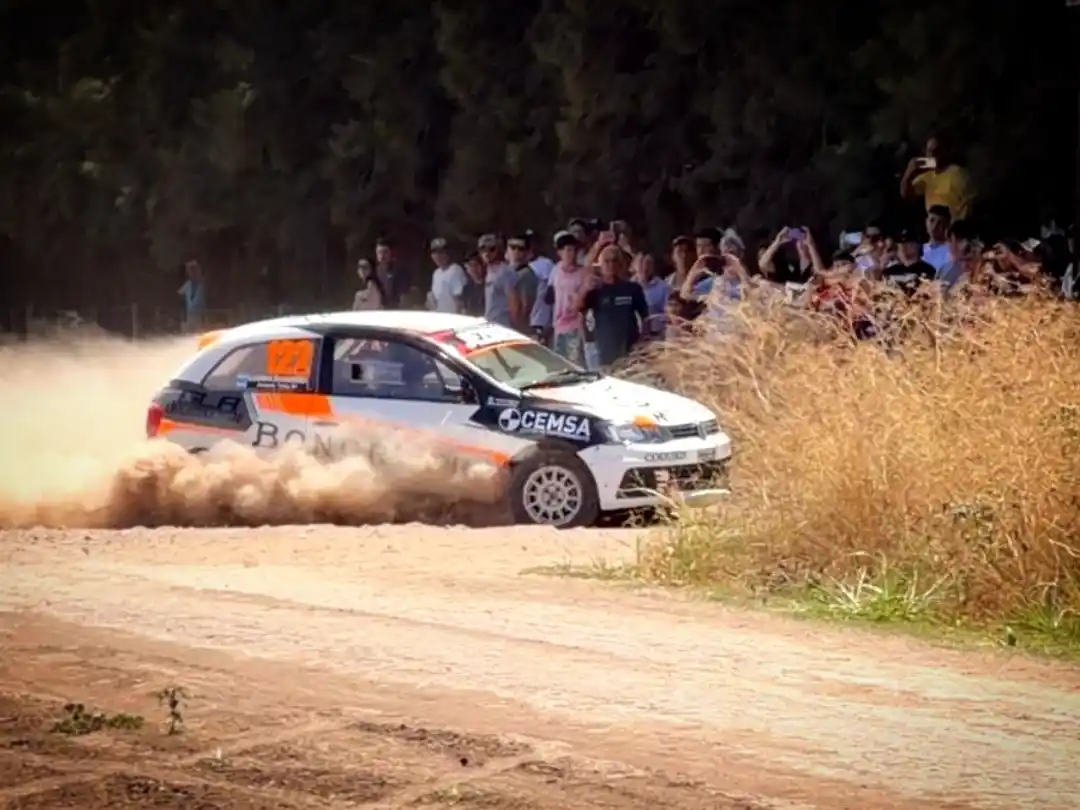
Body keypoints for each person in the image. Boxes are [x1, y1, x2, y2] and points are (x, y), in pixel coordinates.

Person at [576, 244, 648, 368]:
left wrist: (643, 341)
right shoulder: (596, 290)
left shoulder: (633, 289)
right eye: (607, 261)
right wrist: (585, 289)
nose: (611, 265)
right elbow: (577, 308)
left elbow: (645, 317)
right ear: (601, 265)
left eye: (615, 261)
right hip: (604, 352)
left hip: (629, 350)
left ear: (620, 264)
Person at [900, 134, 975, 221]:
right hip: (934, 228)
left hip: (952, 227)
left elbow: (969, 205)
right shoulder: (927, 175)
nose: (931, 155)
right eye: (929, 151)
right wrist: (909, 172)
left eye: (936, 151)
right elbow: (905, 194)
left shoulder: (957, 173)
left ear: (945, 151)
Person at [547, 231, 588, 363]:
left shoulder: (582, 273)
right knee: (560, 363)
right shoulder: (556, 270)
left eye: (575, 250)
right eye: (568, 250)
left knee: (574, 363)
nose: (572, 254)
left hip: (575, 326)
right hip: (558, 325)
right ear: (560, 252)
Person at [478, 233, 518, 329]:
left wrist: (515, 326)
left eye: (491, 249)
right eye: (483, 249)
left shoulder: (505, 271)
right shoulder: (487, 270)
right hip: (490, 324)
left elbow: (513, 301)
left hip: (503, 325)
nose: (487, 253)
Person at [427, 237, 468, 313]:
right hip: (440, 317)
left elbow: (459, 300)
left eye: (441, 252)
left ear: (448, 253)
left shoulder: (455, 270)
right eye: (435, 252)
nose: (438, 256)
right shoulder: (436, 273)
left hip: (453, 318)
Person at [633, 253, 669, 339]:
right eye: (641, 263)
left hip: (656, 334)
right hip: (634, 335)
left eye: (648, 263)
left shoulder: (663, 287)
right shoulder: (629, 286)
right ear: (634, 266)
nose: (645, 267)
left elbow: (667, 312)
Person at [374, 237, 404, 309]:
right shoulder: (375, 271)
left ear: (391, 253)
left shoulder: (399, 269)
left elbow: (403, 294)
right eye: (379, 252)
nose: (382, 256)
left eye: (385, 252)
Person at [922, 205, 952, 271]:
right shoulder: (921, 249)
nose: (935, 226)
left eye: (940, 223)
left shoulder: (951, 251)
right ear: (926, 222)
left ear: (946, 226)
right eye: (932, 220)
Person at [178, 258, 206, 331]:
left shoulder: (203, 285)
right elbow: (180, 299)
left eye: (194, 270)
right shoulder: (188, 284)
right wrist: (182, 316)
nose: (191, 273)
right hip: (188, 316)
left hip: (201, 316)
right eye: (190, 271)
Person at [460, 251, 487, 316]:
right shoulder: (466, 289)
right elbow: (464, 309)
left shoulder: (489, 286)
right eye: (470, 265)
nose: (474, 269)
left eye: (476, 265)